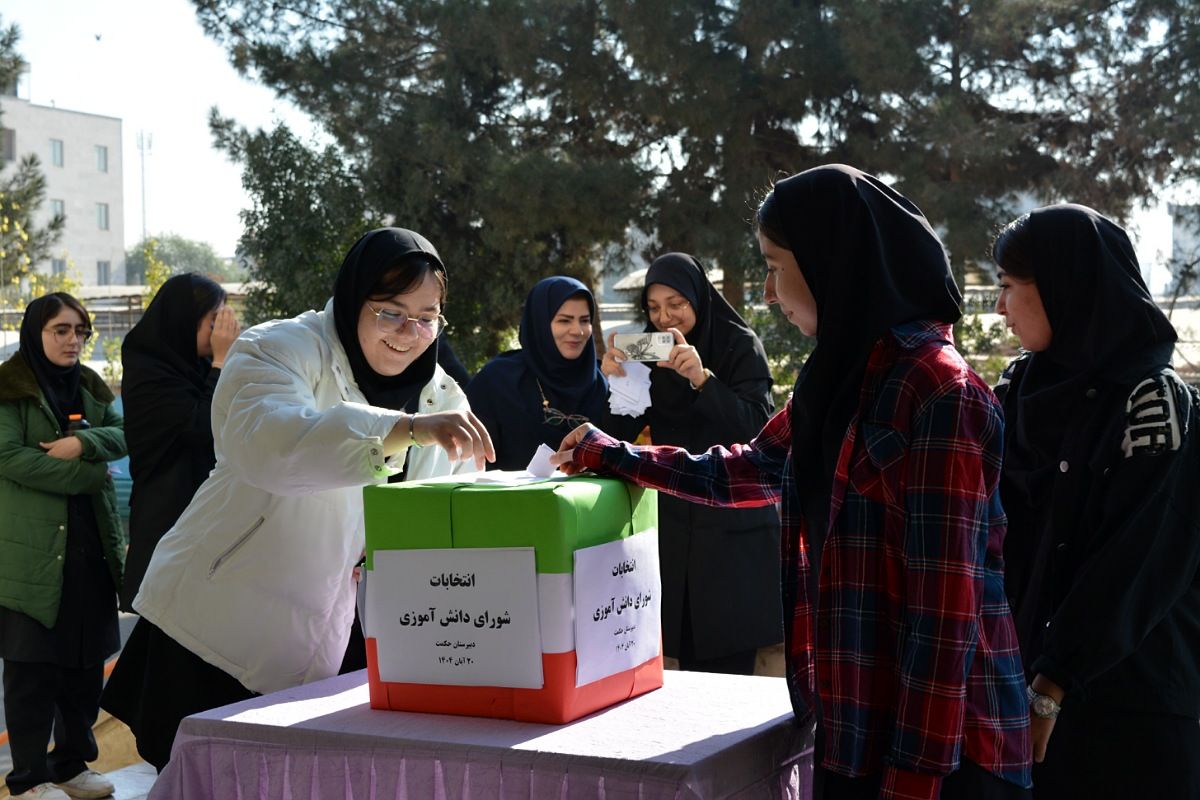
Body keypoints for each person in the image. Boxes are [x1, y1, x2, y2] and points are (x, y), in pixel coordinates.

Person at [552, 165, 1032, 799]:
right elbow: (748, 469)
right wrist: (613, 455)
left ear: (831, 261)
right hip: (855, 727)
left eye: (777, 266)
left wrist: (916, 776)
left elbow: (945, 610)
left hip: (942, 756)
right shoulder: (838, 376)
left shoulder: (937, 389)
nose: (771, 292)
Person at [101, 228, 494, 770]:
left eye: (428, 317)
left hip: (344, 638)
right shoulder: (276, 349)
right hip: (218, 631)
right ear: (356, 299)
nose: (410, 333)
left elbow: (442, 506)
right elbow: (271, 447)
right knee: (205, 780)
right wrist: (402, 428)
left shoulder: (438, 391)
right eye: (391, 312)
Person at [991, 204, 1200, 799]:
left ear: (1066, 286)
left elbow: (1140, 559)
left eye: (1008, 287)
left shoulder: (1151, 401)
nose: (999, 307)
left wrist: (1054, 682)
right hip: (1025, 696)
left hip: (1129, 706)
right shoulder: (1018, 389)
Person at [600, 253, 781, 675]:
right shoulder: (647, 351)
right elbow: (619, 436)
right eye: (654, 308)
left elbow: (759, 430)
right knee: (678, 663)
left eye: (676, 304)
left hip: (732, 530)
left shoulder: (739, 344)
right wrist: (616, 383)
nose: (665, 318)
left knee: (730, 666)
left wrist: (703, 380)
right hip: (676, 531)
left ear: (698, 298)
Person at [0, 293, 126, 800]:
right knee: (32, 673)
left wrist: (83, 445)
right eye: (61, 330)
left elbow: (122, 433)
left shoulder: (91, 385)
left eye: (81, 331)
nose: (73, 340)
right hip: (30, 555)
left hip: (88, 553)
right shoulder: (9, 390)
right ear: (37, 332)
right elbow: (9, 458)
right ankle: (29, 779)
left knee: (83, 670)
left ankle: (70, 766)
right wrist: (87, 474)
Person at [119, 273, 241, 612]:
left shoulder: (195, 366)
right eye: (214, 321)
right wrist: (220, 362)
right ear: (184, 320)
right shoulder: (148, 368)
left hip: (204, 519)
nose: (221, 332)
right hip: (165, 519)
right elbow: (201, 427)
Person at [466, 276, 607, 470]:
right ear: (539, 323)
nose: (577, 331)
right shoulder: (498, 381)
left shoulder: (603, 383)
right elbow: (470, 464)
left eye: (584, 320)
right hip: (507, 499)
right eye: (564, 321)